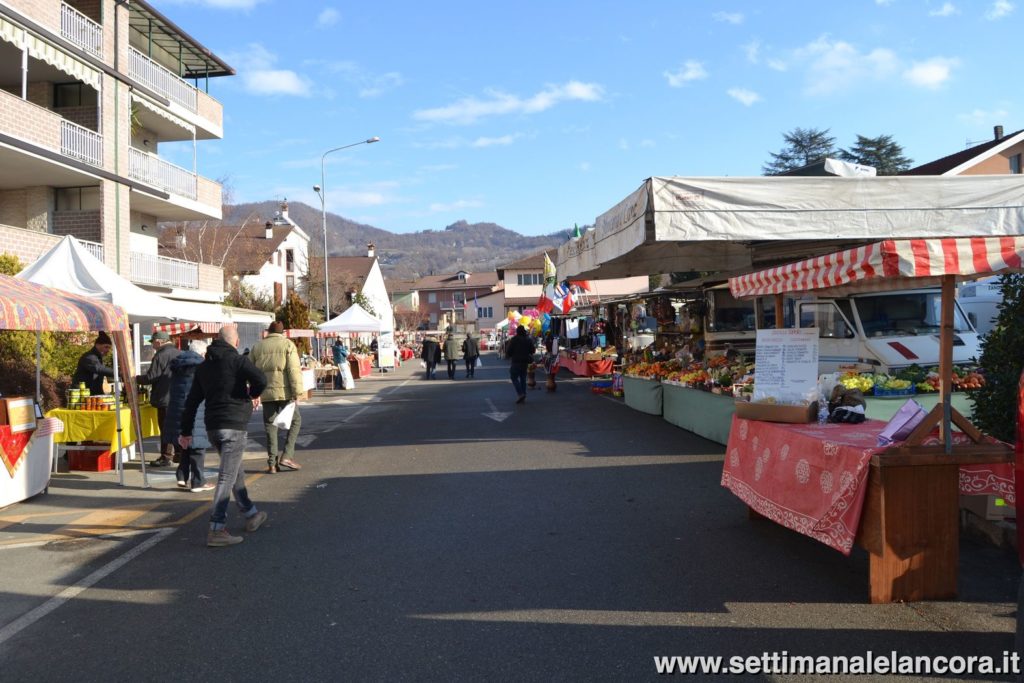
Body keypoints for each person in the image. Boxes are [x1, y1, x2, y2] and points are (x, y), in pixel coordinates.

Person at [180, 325, 268, 548]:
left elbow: (191, 402)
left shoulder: (203, 367)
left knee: (235, 471)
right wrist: (251, 395)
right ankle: (217, 528)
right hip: (234, 424)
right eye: (237, 338)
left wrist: (186, 431)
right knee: (226, 476)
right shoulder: (237, 361)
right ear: (234, 341)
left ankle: (251, 513)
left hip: (213, 427)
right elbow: (261, 380)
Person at [250, 321, 304, 474]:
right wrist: (297, 393)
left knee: (270, 426)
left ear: (268, 331)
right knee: (295, 421)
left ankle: (272, 464)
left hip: (266, 393)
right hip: (285, 392)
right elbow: (293, 370)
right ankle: (287, 455)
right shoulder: (288, 345)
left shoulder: (258, 347)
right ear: (282, 332)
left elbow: (249, 370)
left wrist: (254, 391)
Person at [165, 340, 213, 492]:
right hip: (196, 408)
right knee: (198, 445)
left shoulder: (178, 365)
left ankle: (181, 475)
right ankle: (198, 482)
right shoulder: (202, 366)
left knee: (185, 442)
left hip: (177, 408)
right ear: (202, 353)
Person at [137, 330, 182, 467]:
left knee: (166, 428)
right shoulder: (179, 353)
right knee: (176, 427)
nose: (153, 346)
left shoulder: (160, 355)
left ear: (159, 341)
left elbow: (151, 377)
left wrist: (135, 379)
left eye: (153, 343)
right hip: (178, 396)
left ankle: (166, 457)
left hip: (164, 397)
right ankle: (179, 454)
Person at [72, 332, 115, 396]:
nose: (108, 350)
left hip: (92, 392)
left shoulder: (97, 357)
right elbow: (99, 369)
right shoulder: (89, 357)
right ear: (97, 345)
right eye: (106, 347)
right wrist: (117, 373)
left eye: (109, 348)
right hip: (82, 394)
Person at [505, 325, 535, 404]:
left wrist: (509, 355)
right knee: (523, 378)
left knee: (514, 377)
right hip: (525, 362)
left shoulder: (514, 340)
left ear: (517, 332)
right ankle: (523, 394)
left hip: (516, 362)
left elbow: (509, 351)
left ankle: (520, 393)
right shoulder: (528, 340)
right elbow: (533, 350)